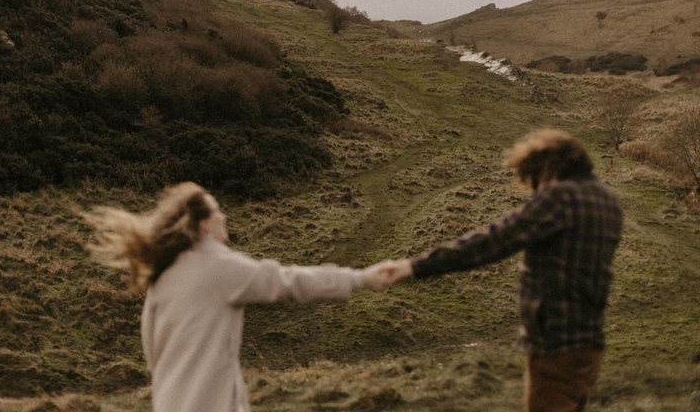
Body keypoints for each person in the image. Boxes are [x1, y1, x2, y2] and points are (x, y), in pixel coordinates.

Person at [84, 181, 392, 412]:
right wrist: (360, 278)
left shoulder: (163, 273)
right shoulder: (218, 265)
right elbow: (288, 281)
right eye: (217, 209)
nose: (223, 215)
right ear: (203, 223)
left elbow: (150, 350)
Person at [381, 129, 623, 412]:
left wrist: (416, 265)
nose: (537, 191)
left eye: (536, 181)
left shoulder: (562, 197)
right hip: (590, 344)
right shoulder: (608, 200)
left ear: (548, 169)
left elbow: (497, 240)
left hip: (555, 343)